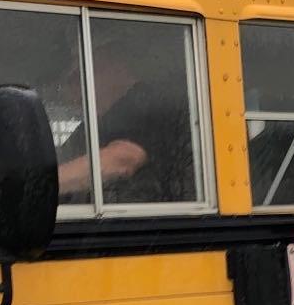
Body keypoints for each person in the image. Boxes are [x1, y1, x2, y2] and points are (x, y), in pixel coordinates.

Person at [54, 45, 195, 205]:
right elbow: (64, 159)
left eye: (76, 77)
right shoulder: (88, 129)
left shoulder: (148, 102)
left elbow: (124, 158)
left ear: (114, 67)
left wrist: (40, 184)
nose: (68, 93)